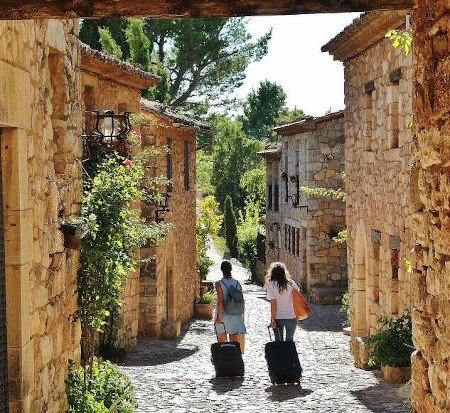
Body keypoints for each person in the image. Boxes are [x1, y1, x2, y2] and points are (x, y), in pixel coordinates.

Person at [214, 260, 246, 353]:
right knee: (234, 344)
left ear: (221, 270)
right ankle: (233, 362)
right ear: (231, 269)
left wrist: (218, 317)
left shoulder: (219, 284)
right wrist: (242, 315)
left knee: (222, 343)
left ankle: (223, 362)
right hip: (236, 315)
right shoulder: (237, 283)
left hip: (224, 315)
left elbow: (220, 301)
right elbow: (241, 300)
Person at [265, 262, 300, 342]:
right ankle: (289, 354)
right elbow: (298, 295)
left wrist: (272, 320)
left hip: (278, 317)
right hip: (291, 315)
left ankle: (280, 354)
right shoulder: (291, 283)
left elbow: (273, 304)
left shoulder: (272, 285)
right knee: (290, 341)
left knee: (278, 341)